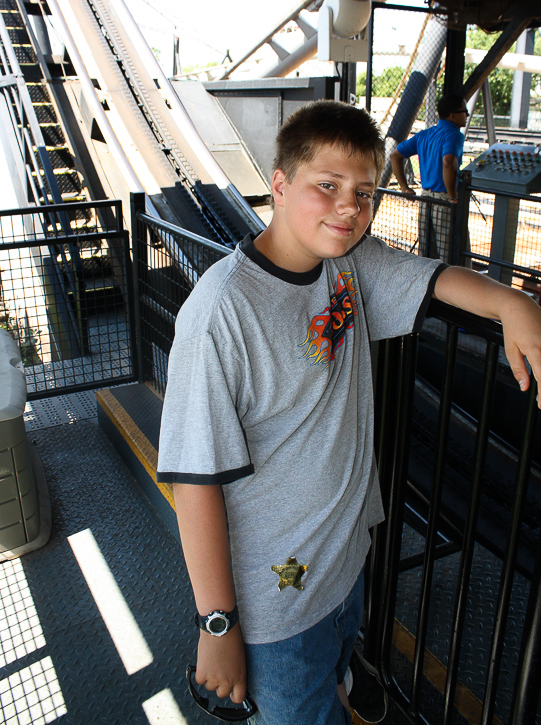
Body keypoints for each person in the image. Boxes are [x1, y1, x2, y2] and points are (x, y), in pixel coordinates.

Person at [156, 99, 541, 725]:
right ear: (280, 185)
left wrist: (512, 304)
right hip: (273, 610)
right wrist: (217, 625)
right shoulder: (221, 315)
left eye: (364, 192)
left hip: (341, 564)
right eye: (327, 186)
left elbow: (436, 278)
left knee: (331, 674)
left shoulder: (347, 264)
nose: (349, 208)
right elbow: (194, 479)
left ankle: (342, 676)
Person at [390, 93, 469, 263]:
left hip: (426, 198)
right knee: (449, 252)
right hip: (444, 199)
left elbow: (395, 156)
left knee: (427, 251)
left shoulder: (424, 135)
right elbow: (448, 162)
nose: (467, 115)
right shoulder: (454, 135)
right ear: (452, 115)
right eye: (465, 111)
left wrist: (404, 187)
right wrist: (452, 195)